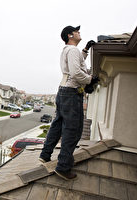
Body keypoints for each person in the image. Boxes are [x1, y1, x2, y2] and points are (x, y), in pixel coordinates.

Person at [39, 25, 97, 180]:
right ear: (70, 35)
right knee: (73, 129)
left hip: (63, 91)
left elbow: (76, 64)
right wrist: (90, 79)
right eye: (77, 31)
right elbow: (76, 72)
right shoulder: (72, 51)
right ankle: (63, 167)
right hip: (71, 93)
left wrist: (85, 50)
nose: (79, 33)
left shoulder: (69, 50)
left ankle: (45, 155)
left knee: (58, 124)